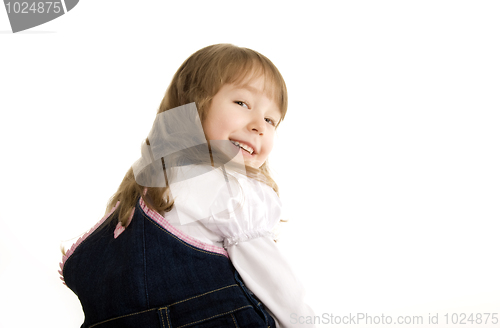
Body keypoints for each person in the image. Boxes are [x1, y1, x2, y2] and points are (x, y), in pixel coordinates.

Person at [59, 44, 315, 328]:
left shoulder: (145, 190)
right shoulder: (231, 191)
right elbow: (276, 285)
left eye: (271, 120)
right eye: (242, 103)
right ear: (193, 105)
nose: (259, 126)